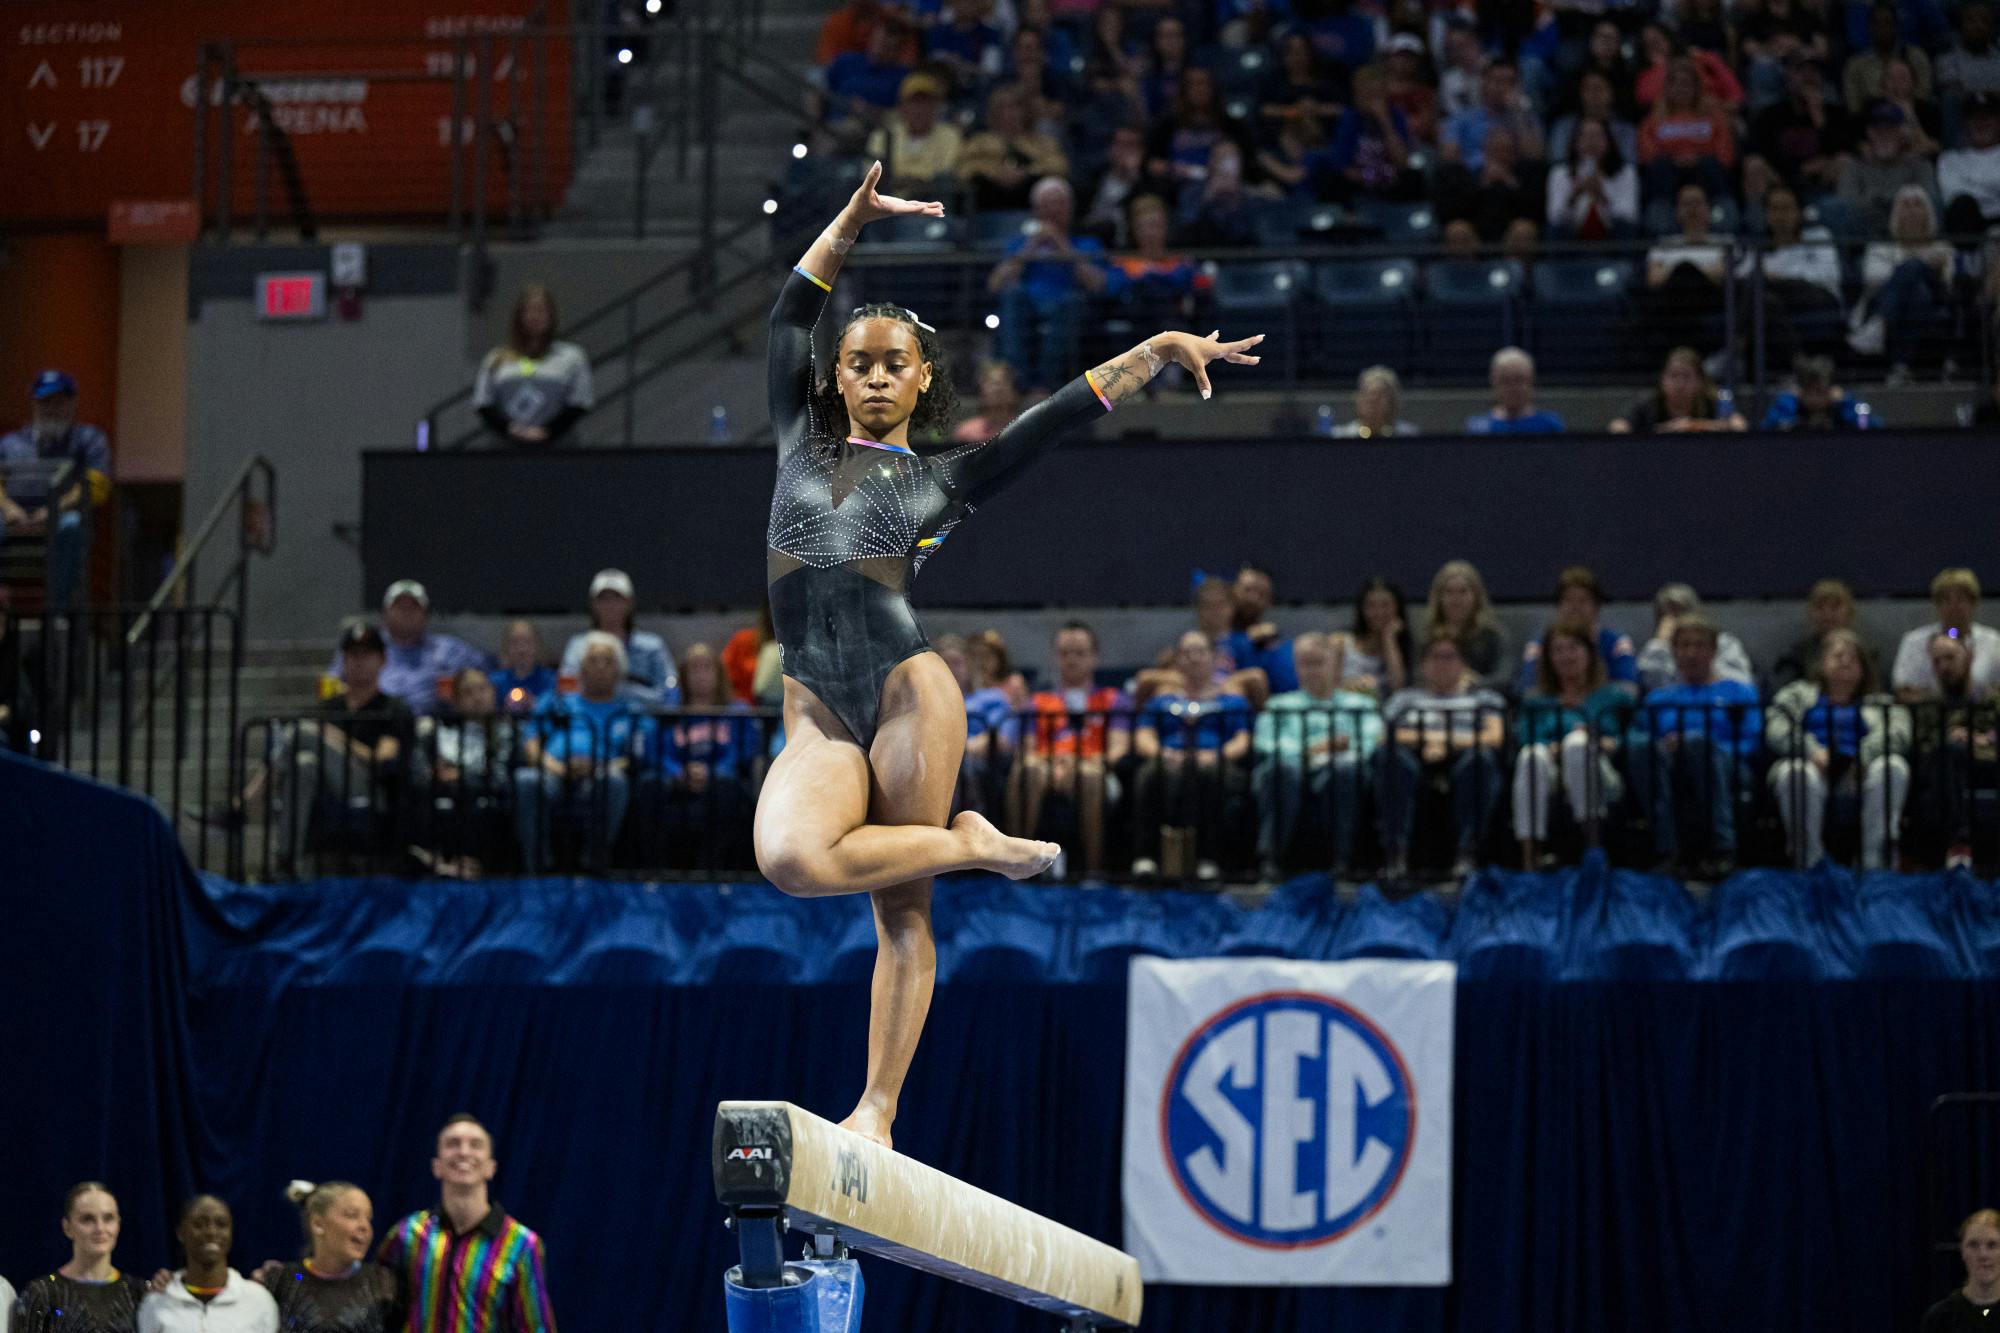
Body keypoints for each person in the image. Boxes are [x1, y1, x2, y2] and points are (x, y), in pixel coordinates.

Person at [754, 162, 1261, 1146]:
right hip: (815, 707)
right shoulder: (795, 441)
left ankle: (877, 1109)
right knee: (789, 858)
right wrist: (848, 222)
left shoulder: (941, 481)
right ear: (836, 375)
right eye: (855, 360)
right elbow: (787, 316)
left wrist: (1155, 347)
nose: (869, 374)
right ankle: (974, 845)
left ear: (919, 379)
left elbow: (1055, 416)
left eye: (891, 362)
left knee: (900, 910)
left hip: (906, 693)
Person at [375, 1115, 555, 1333]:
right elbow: (376, 1312)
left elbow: (536, 1328)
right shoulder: (408, 1233)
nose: (464, 1152)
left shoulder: (521, 1244)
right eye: (453, 1144)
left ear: (491, 1168)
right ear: (436, 1166)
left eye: (476, 1145)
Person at [1630, 613, 1762, 874]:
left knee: (1697, 743)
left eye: (1699, 645)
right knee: (1640, 748)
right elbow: (1639, 736)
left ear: (1713, 651)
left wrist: (1703, 747)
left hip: (1729, 770)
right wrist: (1664, 747)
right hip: (1669, 770)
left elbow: (1751, 740)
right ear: (1674, 653)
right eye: (1684, 646)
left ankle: (1723, 849)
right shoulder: (1658, 699)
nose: (1691, 653)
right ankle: (1666, 850)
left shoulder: (1739, 692)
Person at [1766, 628, 1909, 868]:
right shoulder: (1797, 695)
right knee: (1796, 770)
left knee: (1893, 766)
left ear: (1863, 668)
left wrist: (1864, 757)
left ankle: (1873, 862)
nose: (1845, 662)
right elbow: (1777, 727)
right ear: (1821, 664)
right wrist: (1811, 751)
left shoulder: (1881, 702)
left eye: (1852, 658)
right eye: (1837, 656)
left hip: (1860, 773)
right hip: (1814, 768)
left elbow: (1899, 733)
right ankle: (1809, 862)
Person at [1376, 629, 1507, 879]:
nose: (1442, 663)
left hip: (1465, 758)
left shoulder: (1484, 699)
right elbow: (1386, 736)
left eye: (1449, 657)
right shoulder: (1405, 700)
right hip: (1414, 759)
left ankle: (1468, 853)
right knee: (1390, 758)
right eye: (1435, 657)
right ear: (1423, 664)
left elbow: (1494, 737)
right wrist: (1428, 740)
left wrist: (1445, 743)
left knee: (1481, 760)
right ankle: (1396, 852)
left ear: (1464, 663)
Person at [1010, 620, 1132, 876]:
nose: (1072, 659)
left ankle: (1093, 870)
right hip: (1047, 768)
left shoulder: (1113, 699)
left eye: (1080, 653)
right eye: (1065, 653)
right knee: (1030, 769)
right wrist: (1056, 765)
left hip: (1093, 768)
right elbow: (1028, 748)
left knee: (1089, 776)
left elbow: (1118, 748)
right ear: (1055, 658)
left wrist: (1081, 763)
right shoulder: (1038, 701)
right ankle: (1018, 866)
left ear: (1094, 658)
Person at [1254, 631, 1382, 875]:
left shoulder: (1360, 705)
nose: (1312, 670)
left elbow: (1369, 743)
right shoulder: (1278, 706)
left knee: (1347, 766)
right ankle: (1270, 859)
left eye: (1318, 662)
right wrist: (1316, 749)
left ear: (1334, 664)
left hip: (1339, 769)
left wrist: (1332, 751)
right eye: (1305, 663)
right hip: (1292, 769)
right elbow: (1267, 744)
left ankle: (1343, 859)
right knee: (1282, 768)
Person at [1130, 630, 1254, 880]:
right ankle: (1146, 858)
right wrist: (1161, 753)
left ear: (1214, 658)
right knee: (1150, 773)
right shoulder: (1160, 702)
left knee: (1210, 774)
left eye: (1200, 652)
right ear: (1178, 661)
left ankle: (1210, 859)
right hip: (1170, 761)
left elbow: (1243, 740)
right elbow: (1143, 736)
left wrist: (1218, 756)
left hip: (1217, 763)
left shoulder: (1233, 702)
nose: (1193, 658)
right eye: (1187, 653)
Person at [295, 623, 418, 872]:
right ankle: (288, 860)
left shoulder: (393, 710)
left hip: (371, 787)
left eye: (367, 655)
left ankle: (245, 804)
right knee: (303, 764)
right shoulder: (328, 709)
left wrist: (333, 737)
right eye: (353, 655)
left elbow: (381, 759)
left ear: (382, 660)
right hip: (325, 786)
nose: (359, 662)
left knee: (301, 731)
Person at [517, 631, 643, 873]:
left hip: (602, 773)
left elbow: (636, 757)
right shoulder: (558, 702)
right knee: (526, 780)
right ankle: (536, 865)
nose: (599, 667)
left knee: (614, 782)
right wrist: (554, 766)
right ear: (581, 667)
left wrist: (600, 766)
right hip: (553, 771)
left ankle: (594, 862)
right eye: (592, 660)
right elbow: (530, 740)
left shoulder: (630, 710)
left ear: (619, 670)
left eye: (607, 661)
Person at [1512, 623, 1631, 868]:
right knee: (1531, 755)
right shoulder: (1537, 701)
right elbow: (1525, 737)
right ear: (1548, 658)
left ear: (1589, 653)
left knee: (1577, 744)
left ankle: (1593, 847)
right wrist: (1553, 747)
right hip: (1551, 773)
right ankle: (1529, 856)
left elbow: (1631, 736)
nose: (1566, 656)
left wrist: (1605, 742)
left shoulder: (1613, 696)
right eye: (1558, 650)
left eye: (1573, 648)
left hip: (1603, 773)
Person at [0, 370, 111, 611]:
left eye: (59, 402)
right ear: (34, 404)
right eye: (45, 401)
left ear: (72, 403)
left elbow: (97, 487)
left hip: (60, 517)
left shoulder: (89, 440)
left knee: (71, 526)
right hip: (12, 518)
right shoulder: (10, 444)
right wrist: (9, 508)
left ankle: (56, 610)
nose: (52, 408)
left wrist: (52, 510)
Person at [986, 176, 1110, 392]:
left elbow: (1097, 284)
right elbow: (995, 285)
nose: (1053, 209)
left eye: (1059, 203)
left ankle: (1045, 384)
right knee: (1013, 296)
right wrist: (1029, 249)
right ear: (1035, 209)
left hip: (1070, 311)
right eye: (1046, 203)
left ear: (1070, 209)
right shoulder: (1019, 245)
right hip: (1028, 310)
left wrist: (1062, 247)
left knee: (1069, 304)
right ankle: (1017, 380)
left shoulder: (1086, 244)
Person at [1908, 630, 2000, 870]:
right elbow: (1924, 751)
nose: (1944, 667)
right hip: (1947, 768)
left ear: (1968, 656)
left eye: (1950, 658)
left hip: (1988, 765)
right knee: (1949, 752)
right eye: (1937, 661)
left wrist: (1982, 740)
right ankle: (1958, 844)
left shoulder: (1992, 701)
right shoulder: (1929, 708)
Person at [329, 581, 490, 716]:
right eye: (399, 607)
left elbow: (487, 673)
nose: (406, 613)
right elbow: (331, 685)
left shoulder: (446, 649)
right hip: (376, 721)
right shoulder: (369, 645)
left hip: (430, 725)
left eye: (413, 607)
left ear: (426, 614)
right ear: (385, 613)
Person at [260, 1181, 402, 1333]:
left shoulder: (383, 1284)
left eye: (368, 1218)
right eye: (352, 1215)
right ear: (318, 1224)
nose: (364, 1226)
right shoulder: (283, 1281)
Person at [16, 1182, 147, 1333]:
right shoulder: (42, 1294)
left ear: (118, 1223)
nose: (100, 1228)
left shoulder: (138, 1292)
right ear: (67, 1227)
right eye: (87, 1219)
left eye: (108, 1218)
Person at [1856, 185, 1955, 381]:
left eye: (1917, 205)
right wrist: (1922, 263)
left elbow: (1949, 283)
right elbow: (1873, 280)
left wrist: (1914, 263)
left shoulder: (1944, 249)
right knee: (1918, 293)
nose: (1911, 211)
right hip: (1897, 304)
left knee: (1916, 276)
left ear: (1928, 213)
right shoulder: (1879, 249)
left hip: (1936, 301)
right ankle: (1902, 364)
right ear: (1895, 214)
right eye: (1905, 205)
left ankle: (1878, 327)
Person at [473, 287, 594, 447]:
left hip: (559, 447)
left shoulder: (572, 357)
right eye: (529, 311)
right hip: (505, 448)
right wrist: (512, 430)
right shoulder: (496, 358)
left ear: (551, 316)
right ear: (519, 317)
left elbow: (580, 402)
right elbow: (484, 403)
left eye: (541, 311)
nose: (535, 317)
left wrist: (547, 431)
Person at [138, 1197, 277, 1333]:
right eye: (199, 1224)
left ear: (231, 1233)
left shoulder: (258, 1301)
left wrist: (300, 1276)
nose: (211, 1232)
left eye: (221, 1224)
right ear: (180, 1233)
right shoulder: (156, 1302)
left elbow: (299, 1276)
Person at [1517, 564, 1641, 697]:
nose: (1575, 608)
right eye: (1568, 600)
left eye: (1583, 601)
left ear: (1596, 606)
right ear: (1558, 606)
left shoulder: (1616, 643)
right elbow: (1526, 691)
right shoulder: (1540, 644)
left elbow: (1629, 690)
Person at [559, 568, 677, 706]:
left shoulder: (652, 646)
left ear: (629, 603)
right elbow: (566, 689)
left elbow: (670, 692)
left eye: (617, 598)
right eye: (603, 599)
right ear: (593, 604)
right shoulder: (578, 645)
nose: (610, 605)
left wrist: (625, 692)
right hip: (588, 720)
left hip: (641, 720)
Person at [1638, 56, 1736, 207]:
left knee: (1711, 164)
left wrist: (1696, 157)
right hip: (1668, 177)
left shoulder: (1713, 116)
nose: (1681, 88)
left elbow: (1725, 152)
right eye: (1676, 84)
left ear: (1696, 88)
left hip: (1706, 175)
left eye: (1687, 84)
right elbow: (1647, 153)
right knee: (1661, 165)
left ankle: (1721, 214)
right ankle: (1662, 218)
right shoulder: (1654, 119)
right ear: (1667, 88)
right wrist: (1675, 159)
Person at [1750, 56, 1855, 196]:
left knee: (1845, 162)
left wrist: (1819, 119)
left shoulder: (1836, 113)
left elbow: (1847, 149)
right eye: (1801, 70)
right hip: (1782, 180)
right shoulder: (1771, 115)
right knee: (1754, 166)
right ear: (1788, 77)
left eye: (1814, 71)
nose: (1808, 77)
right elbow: (1765, 151)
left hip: (1823, 179)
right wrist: (1800, 168)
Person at [955, 83, 1069, 211]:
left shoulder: (1041, 143)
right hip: (989, 202)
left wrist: (1027, 173)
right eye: (1002, 107)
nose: (1008, 113)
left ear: (1025, 111)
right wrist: (995, 173)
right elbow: (963, 169)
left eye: (1014, 107)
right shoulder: (979, 142)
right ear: (993, 112)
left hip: (1029, 201)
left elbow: (1059, 165)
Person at [1891, 568, 2000, 699]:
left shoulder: (1993, 641)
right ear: (1937, 604)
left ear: (1973, 603)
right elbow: (1903, 688)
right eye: (1946, 600)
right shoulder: (1914, 641)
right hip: (1929, 715)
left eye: (1961, 599)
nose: (1953, 606)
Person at [1838, 102, 1937, 237]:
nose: (1883, 135)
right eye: (1878, 130)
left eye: (1890, 130)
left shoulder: (1920, 165)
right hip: (1867, 235)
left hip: (1909, 235)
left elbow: (1927, 200)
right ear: (1869, 133)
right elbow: (1847, 201)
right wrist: (1893, 203)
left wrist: (1877, 201)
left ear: (1903, 134)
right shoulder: (1855, 167)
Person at [1636, 583, 1755, 692]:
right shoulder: (1657, 649)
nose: (1675, 620)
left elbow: (1742, 682)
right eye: (1667, 614)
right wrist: (1659, 644)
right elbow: (1652, 686)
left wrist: (1701, 673)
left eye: (1680, 611)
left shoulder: (1725, 643)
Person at [1771, 578, 1882, 689]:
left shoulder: (1867, 653)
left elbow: (1877, 690)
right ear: (1811, 613)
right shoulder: (1797, 655)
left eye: (1835, 607)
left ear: (1850, 612)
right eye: (1820, 607)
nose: (1827, 614)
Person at [1609, 346, 1747, 433]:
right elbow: (1617, 427)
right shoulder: (1647, 403)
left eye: (1686, 377)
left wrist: (1693, 426)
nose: (1679, 383)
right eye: (1673, 376)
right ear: (1662, 380)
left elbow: (1739, 426)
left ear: (1700, 382)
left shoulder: (1715, 399)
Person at [866, 72, 964, 193]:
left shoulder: (950, 135)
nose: (920, 109)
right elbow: (871, 174)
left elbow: (945, 174)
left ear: (936, 106)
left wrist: (909, 181)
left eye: (926, 102)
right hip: (887, 204)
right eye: (914, 102)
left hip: (931, 205)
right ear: (902, 106)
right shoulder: (882, 135)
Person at [1547, 117, 1639, 239]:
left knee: (1626, 228)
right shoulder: (1560, 173)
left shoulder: (1626, 172)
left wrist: (1603, 196)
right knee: (1557, 229)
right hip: (1574, 236)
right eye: (1586, 136)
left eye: (1597, 136)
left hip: (1612, 235)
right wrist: (1573, 196)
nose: (1591, 142)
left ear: (1608, 141)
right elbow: (1554, 216)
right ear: (1576, 142)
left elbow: (1629, 214)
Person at [1424, 559, 1508, 688]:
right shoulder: (1427, 635)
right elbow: (1415, 677)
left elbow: (1505, 677)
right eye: (1449, 592)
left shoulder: (1492, 634)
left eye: (1463, 592)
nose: (1456, 600)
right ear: (1439, 598)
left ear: (1476, 596)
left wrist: (1475, 683)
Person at [1845, 1, 1934, 111]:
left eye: (1888, 23)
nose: (1882, 28)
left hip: (1911, 118)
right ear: (1869, 27)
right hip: (1872, 121)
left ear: (1896, 26)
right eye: (1876, 23)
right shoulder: (1856, 65)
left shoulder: (1916, 56)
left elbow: (1924, 95)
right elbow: (1854, 108)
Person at [1923, 1208, 2000, 1330]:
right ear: (1962, 1251)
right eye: (1973, 1245)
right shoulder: (1941, 1317)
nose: (1983, 1255)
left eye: (1992, 1245)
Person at [1760, 355, 1877, 430]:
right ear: (1799, 391)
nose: (1815, 399)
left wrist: (1846, 404)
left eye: (1820, 392)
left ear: (1832, 391)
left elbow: (1868, 425)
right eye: (1810, 392)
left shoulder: (1847, 404)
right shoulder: (1785, 405)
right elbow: (1766, 429)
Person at [1465, 347, 1565, 434]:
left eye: (1519, 380)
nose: (1513, 388)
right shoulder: (1478, 428)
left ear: (1531, 382)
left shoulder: (1550, 425)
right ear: (1494, 383)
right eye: (1505, 381)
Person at [1940, 95, 2000, 232]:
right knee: (1963, 205)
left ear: (1998, 122)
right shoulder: (1949, 159)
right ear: (1965, 123)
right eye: (1975, 118)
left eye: (1987, 117)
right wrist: (1994, 191)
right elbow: (1952, 196)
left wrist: (1973, 187)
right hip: (1969, 226)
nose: (1981, 123)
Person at [1345, 575, 1411, 697]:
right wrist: (1352, 685)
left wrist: (1389, 639)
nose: (1378, 613)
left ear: (1397, 608)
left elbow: (1398, 687)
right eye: (1371, 606)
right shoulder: (1342, 642)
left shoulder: (1408, 647)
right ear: (1362, 609)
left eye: (1385, 605)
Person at [490, 619, 557, 714]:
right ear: (505, 648)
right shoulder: (495, 682)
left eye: (527, 642)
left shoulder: (552, 680)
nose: (522, 650)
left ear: (538, 646)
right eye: (515, 643)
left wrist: (535, 704)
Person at [1938, 1, 2000, 101]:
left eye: (1984, 21)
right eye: (1971, 20)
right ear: (1961, 25)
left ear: (1991, 26)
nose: (1978, 26)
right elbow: (1956, 98)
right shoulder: (1947, 62)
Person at [1333, 366, 1417, 437]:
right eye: (1368, 394)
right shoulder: (1341, 436)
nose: (1372, 400)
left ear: (1393, 401)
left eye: (1380, 395)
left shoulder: (1409, 435)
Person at [952, 361, 1023, 442]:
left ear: (1015, 392)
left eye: (1004, 381)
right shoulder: (966, 432)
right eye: (992, 383)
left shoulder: (1026, 430)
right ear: (980, 392)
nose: (998, 387)